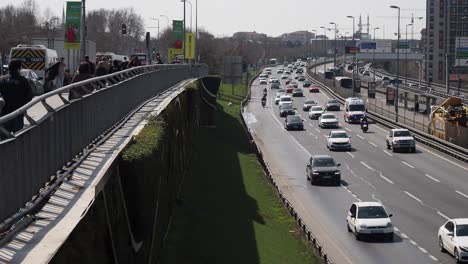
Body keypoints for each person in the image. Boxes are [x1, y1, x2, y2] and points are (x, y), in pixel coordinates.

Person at [0, 59, 34, 133]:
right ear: (19, 68)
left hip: (4, 114)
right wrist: (23, 107)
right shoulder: (23, 80)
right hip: (18, 114)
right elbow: (30, 96)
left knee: (4, 141)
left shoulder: (2, 79)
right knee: (18, 140)